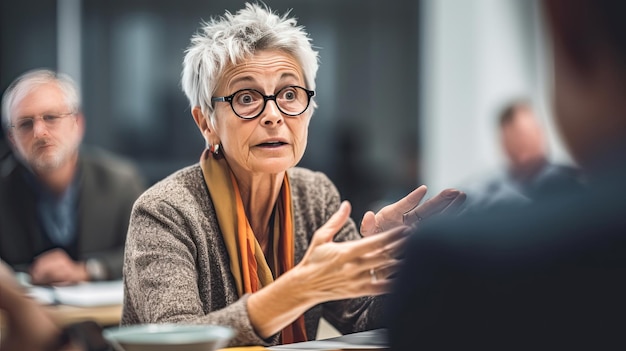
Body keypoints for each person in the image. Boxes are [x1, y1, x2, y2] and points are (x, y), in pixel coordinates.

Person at [121, 3, 465, 347]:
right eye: (246, 97)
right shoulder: (164, 211)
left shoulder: (315, 195)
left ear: (309, 111)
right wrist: (299, 289)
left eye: (289, 94)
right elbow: (177, 343)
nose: (273, 115)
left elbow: (362, 321)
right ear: (206, 123)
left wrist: (394, 272)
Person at [388, 0, 626, 349]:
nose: (532, 143)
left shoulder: (458, 256)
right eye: (520, 135)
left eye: (535, 132)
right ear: (504, 139)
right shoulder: (476, 195)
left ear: (563, 20)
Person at [0, 69, 147, 286]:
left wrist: (87, 270)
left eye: (50, 117)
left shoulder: (120, 182)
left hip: (105, 317)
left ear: (78, 123)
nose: (39, 132)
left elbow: (149, 253)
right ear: (12, 139)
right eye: (25, 124)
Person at [462, 100, 585, 211]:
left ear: (540, 133)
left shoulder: (574, 180)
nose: (520, 143)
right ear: (502, 142)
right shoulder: (486, 190)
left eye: (524, 135)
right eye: (511, 138)